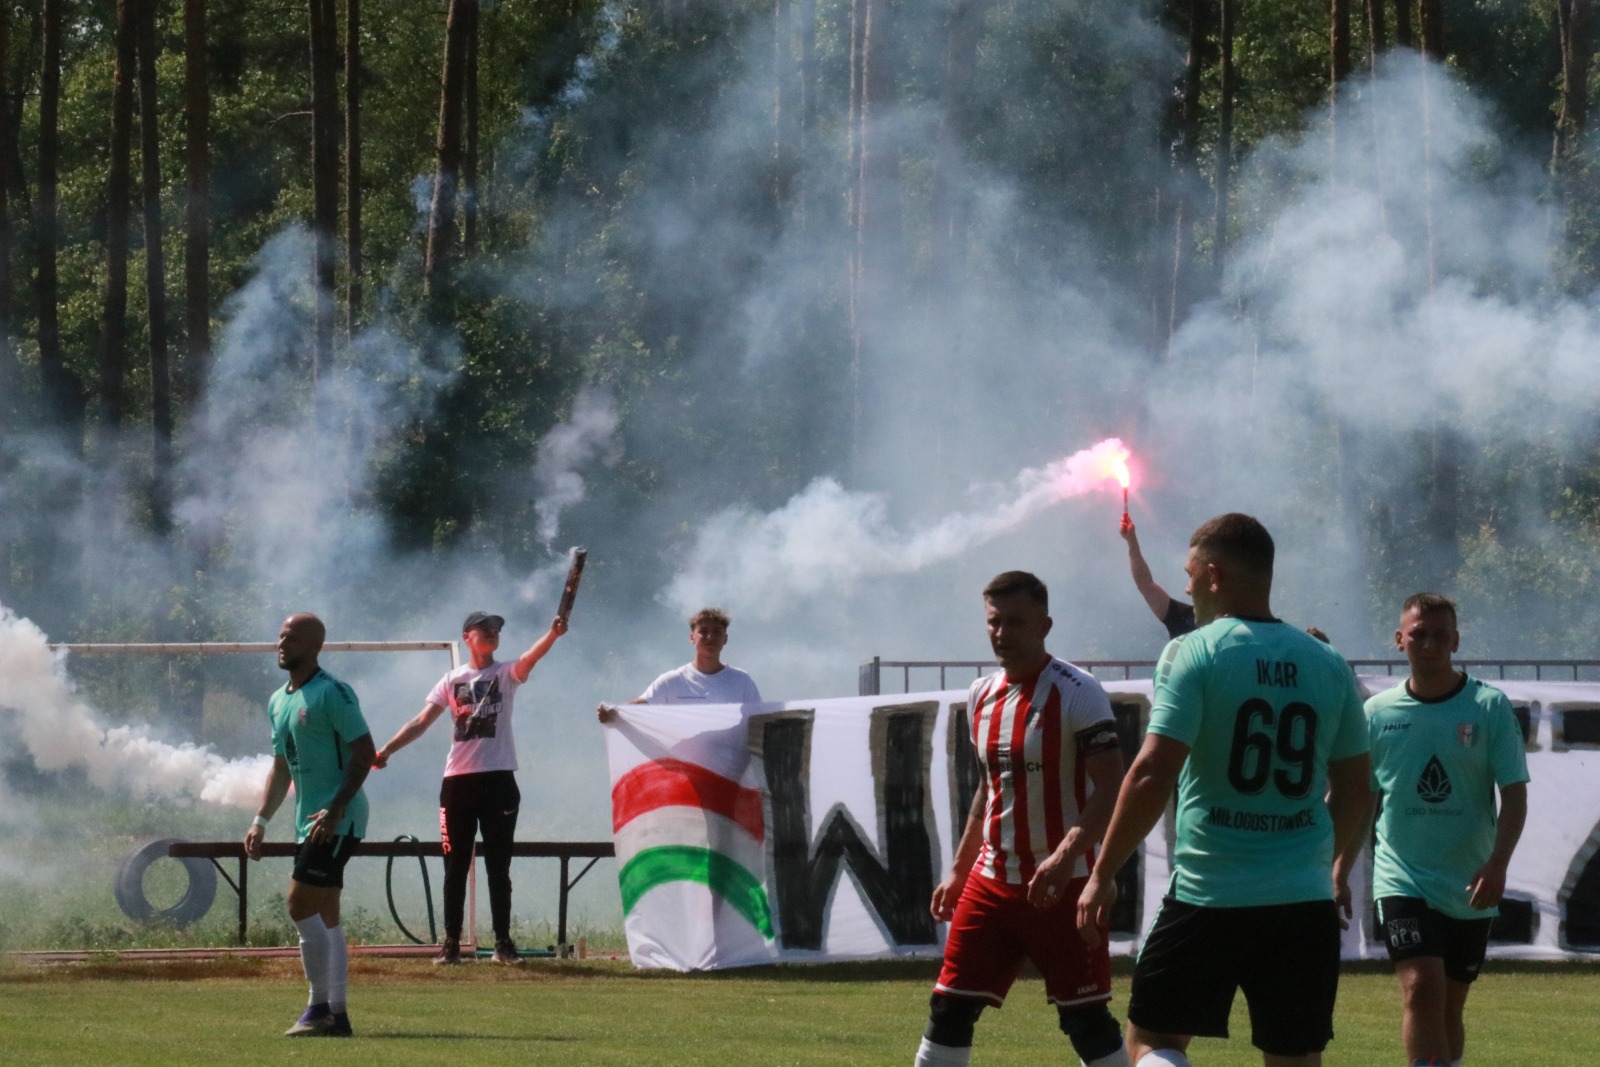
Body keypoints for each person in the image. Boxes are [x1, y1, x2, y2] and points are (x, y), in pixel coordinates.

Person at [1078, 513, 1372, 1067]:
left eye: (1190, 574)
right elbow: (1358, 789)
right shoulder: (1329, 663)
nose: (1185, 585)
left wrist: (1102, 874)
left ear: (1213, 575)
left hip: (1209, 895)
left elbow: (1150, 772)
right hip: (1302, 904)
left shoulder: (1195, 652)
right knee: (1295, 1059)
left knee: (1152, 1043)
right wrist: (1326, 865)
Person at [915, 571, 1132, 1067]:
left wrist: (1064, 856)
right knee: (948, 1007)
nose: (1001, 634)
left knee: (1086, 1021)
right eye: (994, 622)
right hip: (991, 881)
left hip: (1065, 884)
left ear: (1045, 625)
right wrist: (959, 868)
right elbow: (990, 789)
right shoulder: (980, 695)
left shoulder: (1078, 691)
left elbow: (1112, 785)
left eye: (1015, 622)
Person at [1336, 594, 1528, 1067]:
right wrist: (1340, 869)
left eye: (1440, 635)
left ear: (1456, 641)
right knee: (1422, 989)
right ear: (1400, 639)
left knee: (1449, 1007)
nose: (1429, 644)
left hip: (1469, 883)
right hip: (1402, 877)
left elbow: (1516, 796)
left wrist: (1498, 865)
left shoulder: (1488, 706)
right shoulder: (1377, 713)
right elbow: (1360, 797)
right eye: (1418, 634)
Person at [375, 610, 567, 965]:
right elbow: (421, 721)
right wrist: (386, 750)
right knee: (455, 866)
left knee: (498, 867)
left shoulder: (505, 673)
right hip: (457, 784)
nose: (493, 633)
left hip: (499, 780)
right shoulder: (451, 679)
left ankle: (503, 944)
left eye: (496, 629)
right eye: (485, 628)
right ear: (467, 636)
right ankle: (450, 944)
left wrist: (552, 634)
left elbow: (531, 657)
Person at [244, 613, 375, 1038]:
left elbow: (364, 752)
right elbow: (282, 768)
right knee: (326, 913)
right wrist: (261, 819)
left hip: (340, 817)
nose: (282, 642)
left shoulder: (332, 693)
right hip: (310, 821)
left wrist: (337, 807)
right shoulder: (278, 701)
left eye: (292, 637)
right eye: (280, 634)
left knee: (298, 903)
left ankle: (318, 1008)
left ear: (315, 646)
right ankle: (337, 1014)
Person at [597, 608, 760, 721]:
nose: (710, 637)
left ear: (725, 639)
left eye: (716, 632)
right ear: (692, 638)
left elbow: (759, 720)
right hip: (683, 770)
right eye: (703, 632)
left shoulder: (742, 681)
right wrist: (614, 711)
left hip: (729, 771)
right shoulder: (671, 681)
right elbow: (642, 704)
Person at [1120, 515, 1196, 639]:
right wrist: (1131, 540)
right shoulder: (1183, 617)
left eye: (1192, 577)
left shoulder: (1235, 621)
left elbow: (1145, 584)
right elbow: (1145, 584)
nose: (1187, 589)